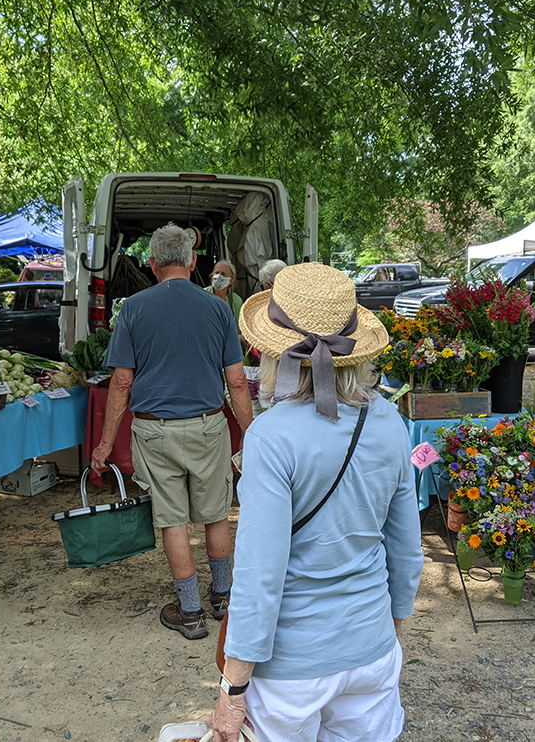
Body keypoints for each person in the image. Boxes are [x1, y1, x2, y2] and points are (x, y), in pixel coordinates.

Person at [210, 263, 424, 742]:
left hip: (292, 667)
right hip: (371, 647)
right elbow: (407, 547)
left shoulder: (269, 437)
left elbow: (260, 573)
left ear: (272, 353)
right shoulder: (389, 422)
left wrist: (233, 686)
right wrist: (388, 634)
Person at [91, 223, 253, 640]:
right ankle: (224, 599)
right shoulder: (218, 308)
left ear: (151, 263)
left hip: (154, 432)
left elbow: (121, 383)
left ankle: (191, 611)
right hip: (209, 428)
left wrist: (105, 443)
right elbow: (236, 382)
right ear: (193, 260)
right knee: (217, 512)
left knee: (173, 521)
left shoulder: (134, 309)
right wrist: (251, 433)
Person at [206, 259, 243, 324]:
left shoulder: (237, 301)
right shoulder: (203, 294)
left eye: (223, 274)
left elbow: (239, 327)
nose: (219, 276)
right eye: (217, 273)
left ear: (231, 280)